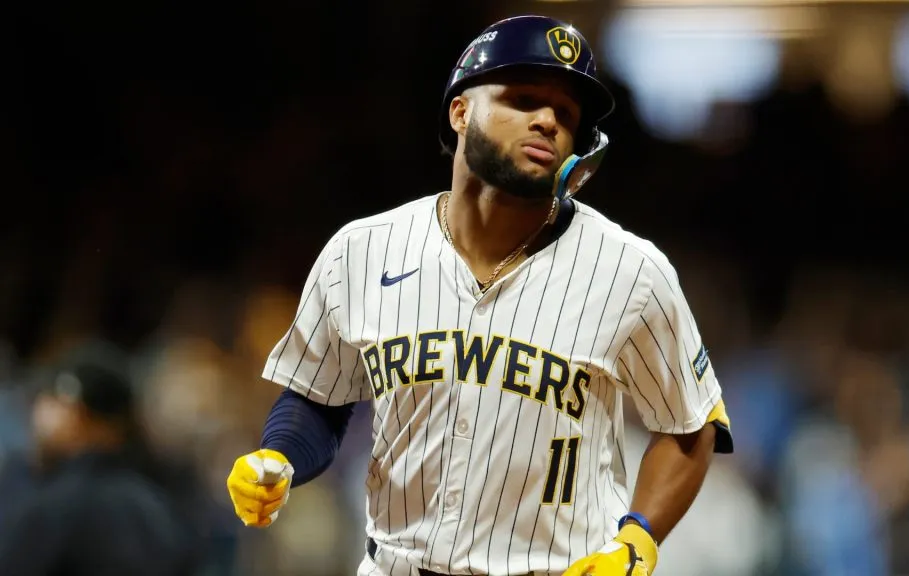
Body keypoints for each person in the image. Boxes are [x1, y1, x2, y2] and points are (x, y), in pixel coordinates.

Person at [226, 14, 734, 576]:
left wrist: (638, 540)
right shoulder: (360, 251)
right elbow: (319, 399)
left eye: (566, 115)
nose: (547, 121)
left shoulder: (631, 271)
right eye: (523, 99)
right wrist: (278, 456)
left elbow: (691, 427)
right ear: (460, 110)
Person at [0, 341, 204, 576]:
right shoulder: (158, 507)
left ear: (109, 427)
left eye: (70, 412)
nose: (47, 419)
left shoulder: (53, 505)